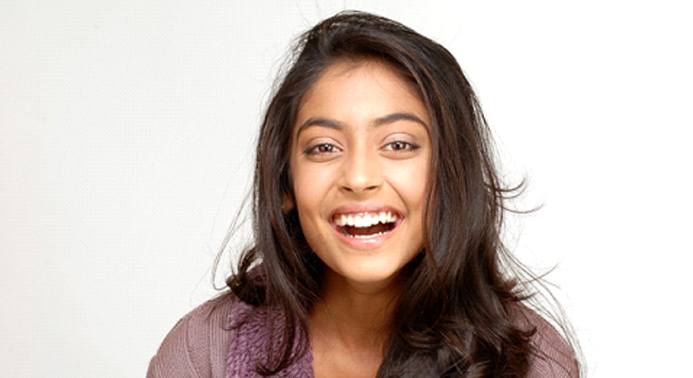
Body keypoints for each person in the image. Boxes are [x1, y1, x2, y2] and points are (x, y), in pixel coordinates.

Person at [148, 10, 581, 378]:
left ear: (451, 175)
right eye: (324, 147)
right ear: (285, 185)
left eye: (398, 144)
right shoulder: (205, 352)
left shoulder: (527, 361)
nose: (358, 177)